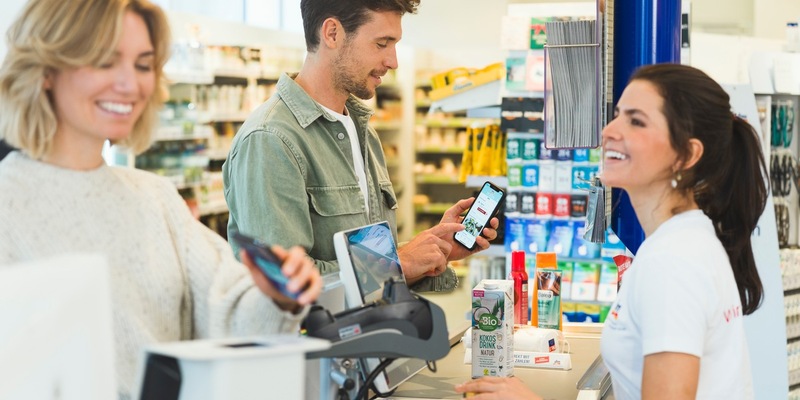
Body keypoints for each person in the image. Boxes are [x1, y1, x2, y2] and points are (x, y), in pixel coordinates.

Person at [0, 1, 322, 399]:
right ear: (46, 70)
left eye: (142, 65)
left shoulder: (154, 197)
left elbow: (227, 310)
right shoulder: (8, 205)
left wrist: (275, 297)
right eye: (104, 61)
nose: (130, 84)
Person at [455, 63, 768, 399]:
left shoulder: (672, 261)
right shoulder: (684, 240)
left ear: (687, 154)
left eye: (636, 121)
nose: (609, 131)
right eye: (617, 114)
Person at [222, 0, 498, 292]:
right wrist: (397, 263)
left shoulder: (360, 129)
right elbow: (281, 284)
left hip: (377, 333)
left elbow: (366, 266)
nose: (393, 61)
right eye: (382, 43)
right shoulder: (271, 140)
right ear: (332, 33)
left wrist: (432, 250)